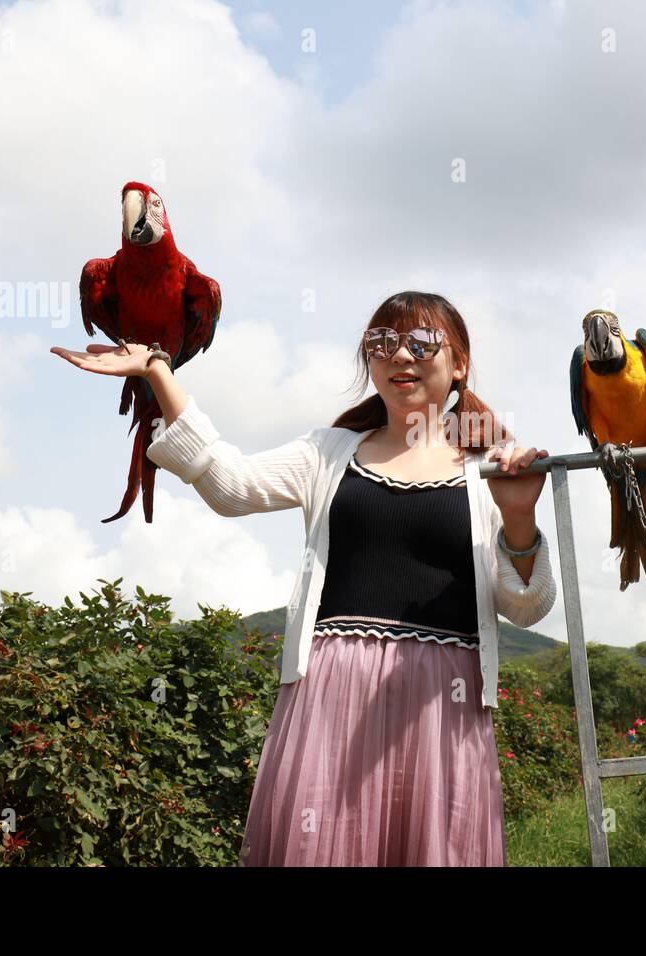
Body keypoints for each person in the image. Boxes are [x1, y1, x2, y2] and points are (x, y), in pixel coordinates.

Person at [50, 290, 558, 866]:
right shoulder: (329, 452)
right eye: (382, 344)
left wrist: (519, 518)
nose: (401, 357)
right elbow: (231, 485)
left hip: (443, 702)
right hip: (332, 694)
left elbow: (525, 608)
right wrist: (157, 370)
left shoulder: (491, 463)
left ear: (459, 362)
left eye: (422, 343)